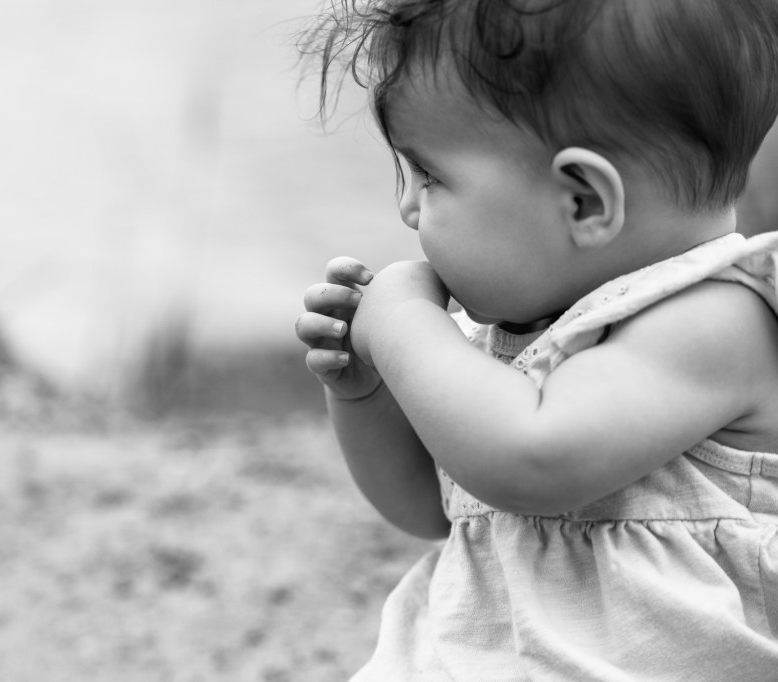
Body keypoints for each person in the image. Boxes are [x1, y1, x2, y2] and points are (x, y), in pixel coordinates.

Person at [294, 0, 778, 679]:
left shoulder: (719, 320)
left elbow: (528, 461)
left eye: (431, 177)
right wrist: (367, 388)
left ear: (583, 201)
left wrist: (403, 326)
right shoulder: (530, 332)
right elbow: (428, 509)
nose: (407, 209)